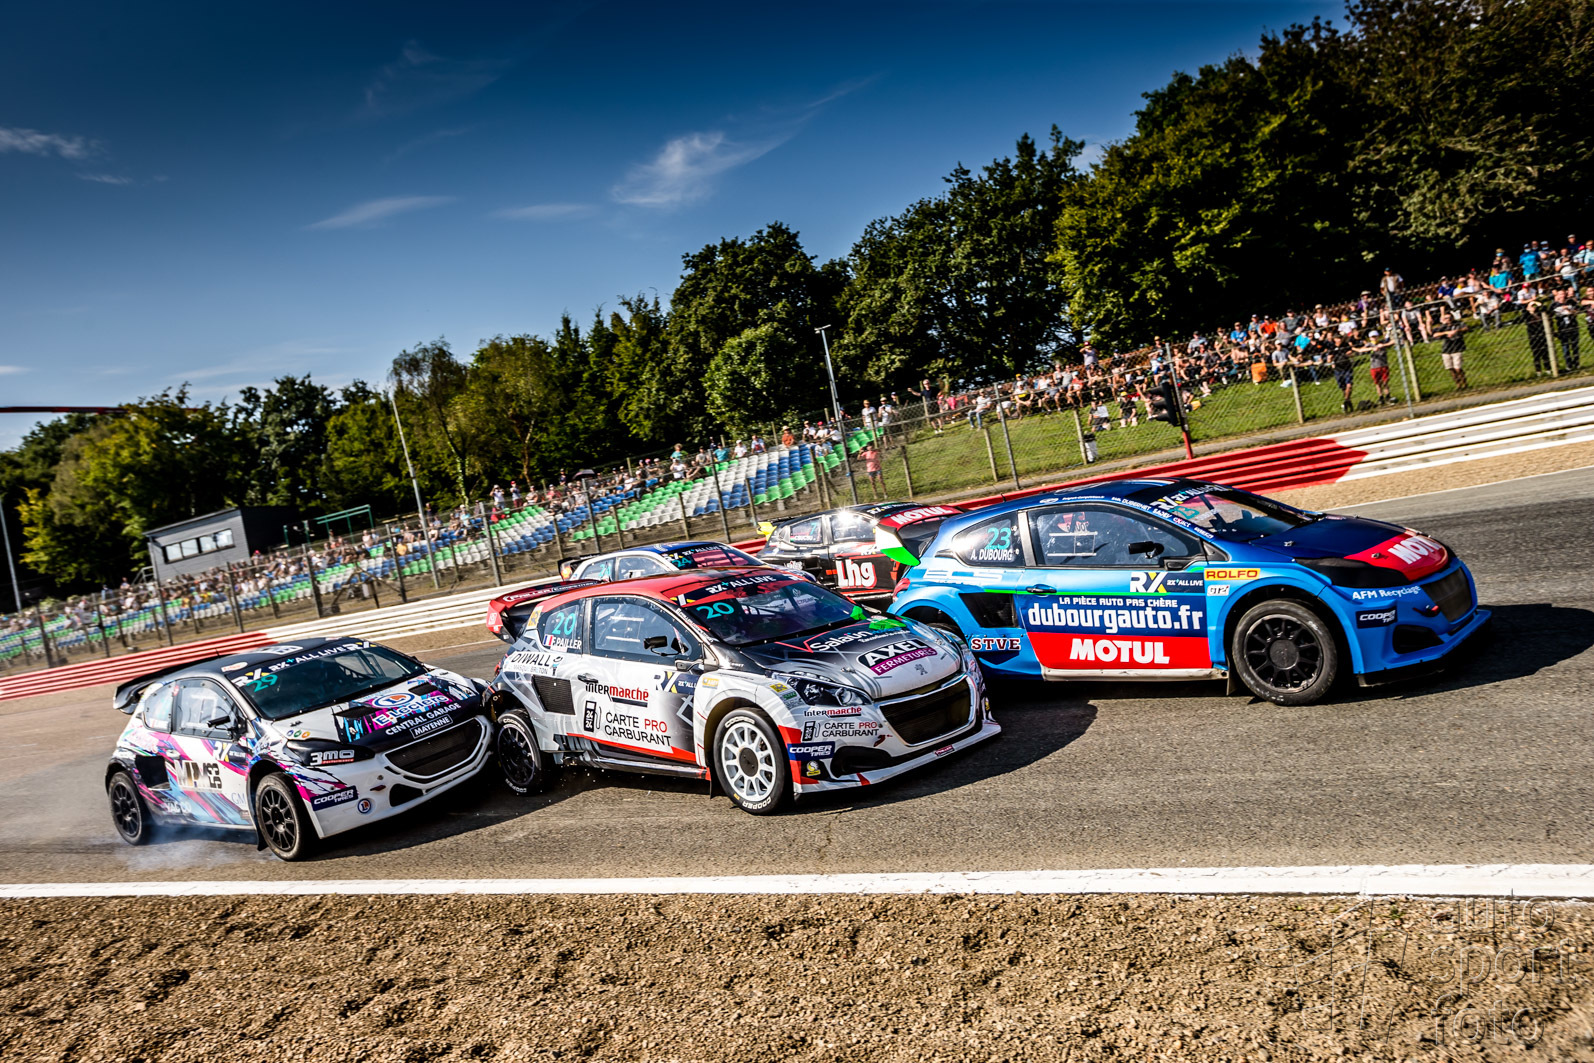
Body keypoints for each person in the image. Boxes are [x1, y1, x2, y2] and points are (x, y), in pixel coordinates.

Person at [1358, 330, 1395, 405]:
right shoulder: (1369, 344)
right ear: (1370, 338)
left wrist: (1383, 345)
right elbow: (1361, 350)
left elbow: (1393, 341)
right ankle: (1381, 397)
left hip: (1383, 365)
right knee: (1378, 383)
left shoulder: (1382, 342)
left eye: (1375, 337)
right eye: (1372, 337)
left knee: (1385, 382)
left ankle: (1388, 396)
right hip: (1374, 366)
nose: (1374, 338)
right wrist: (1372, 349)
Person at [1434, 311, 1468, 389]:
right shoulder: (1443, 327)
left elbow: (1466, 328)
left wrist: (1456, 331)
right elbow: (1435, 334)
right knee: (1451, 369)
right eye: (1446, 318)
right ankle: (1458, 385)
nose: (1448, 319)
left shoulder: (1458, 324)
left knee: (1458, 368)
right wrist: (1446, 332)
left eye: (1449, 318)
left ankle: (1464, 383)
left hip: (1457, 348)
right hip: (1446, 350)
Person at [1330, 336, 1356, 412]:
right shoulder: (1332, 348)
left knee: (1349, 385)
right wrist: (1331, 360)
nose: (1339, 340)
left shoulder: (1345, 345)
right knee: (1343, 388)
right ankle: (1348, 402)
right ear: (1334, 340)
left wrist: (1349, 354)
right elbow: (1329, 358)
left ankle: (1346, 401)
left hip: (1347, 368)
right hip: (1338, 369)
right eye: (1337, 339)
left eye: (1340, 339)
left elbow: (1351, 353)